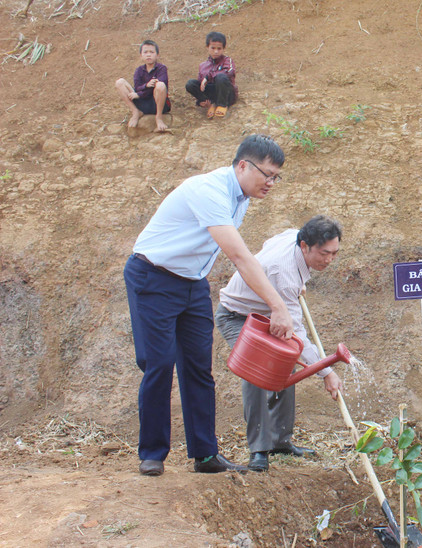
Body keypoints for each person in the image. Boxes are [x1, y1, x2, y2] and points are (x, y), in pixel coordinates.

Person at [123, 134, 295, 477]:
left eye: (277, 177)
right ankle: (153, 453)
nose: (271, 183)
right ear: (243, 165)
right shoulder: (209, 190)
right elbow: (238, 255)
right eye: (268, 174)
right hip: (153, 277)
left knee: (199, 368)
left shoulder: (240, 198)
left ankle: (205, 455)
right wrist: (277, 305)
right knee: (159, 363)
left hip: (192, 285)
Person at [215, 216, 344, 472]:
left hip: (268, 312)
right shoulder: (283, 276)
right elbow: (298, 337)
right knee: (257, 375)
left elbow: (271, 241)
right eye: (324, 253)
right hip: (238, 315)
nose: (329, 260)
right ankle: (259, 450)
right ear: (305, 246)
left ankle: (280, 441)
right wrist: (327, 372)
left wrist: (298, 285)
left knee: (285, 367)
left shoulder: (293, 237)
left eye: (334, 253)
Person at [114, 40, 171, 132]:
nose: (148, 55)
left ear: (157, 55)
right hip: (142, 104)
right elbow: (137, 87)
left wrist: (140, 94)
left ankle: (159, 118)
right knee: (119, 82)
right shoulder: (139, 70)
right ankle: (136, 112)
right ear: (141, 56)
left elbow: (162, 86)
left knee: (160, 85)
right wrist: (146, 86)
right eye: (145, 52)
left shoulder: (161, 68)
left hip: (157, 103)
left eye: (152, 52)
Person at [185, 31, 237, 119]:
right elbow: (201, 85)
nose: (216, 51)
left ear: (223, 48)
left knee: (221, 77)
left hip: (226, 93)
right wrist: (200, 100)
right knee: (190, 84)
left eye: (219, 48)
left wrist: (208, 77)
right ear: (207, 47)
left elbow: (229, 73)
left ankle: (222, 105)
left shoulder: (227, 61)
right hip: (212, 95)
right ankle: (210, 104)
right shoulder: (203, 66)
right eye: (213, 48)